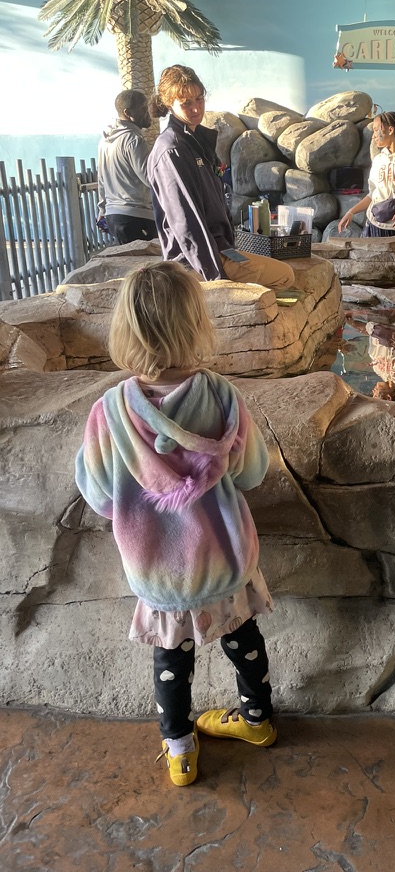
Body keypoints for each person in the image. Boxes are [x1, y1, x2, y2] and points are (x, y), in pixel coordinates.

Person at [75, 261, 278, 787]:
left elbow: (98, 495)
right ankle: (257, 721)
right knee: (242, 635)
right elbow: (253, 473)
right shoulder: (224, 398)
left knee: (172, 655)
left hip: (159, 571)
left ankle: (180, 750)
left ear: (125, 329)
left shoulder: (110, 411)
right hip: (225, 562)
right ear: (195, 325)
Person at [147, 64, 294, 289]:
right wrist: (216, 278)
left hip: (221, 248)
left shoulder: (197, 141)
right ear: (169, 104)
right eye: (186, 103)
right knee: (284, 276)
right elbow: (185, 220)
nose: (196, 108)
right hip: (196, 261)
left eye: (199, 99)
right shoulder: (172, 150)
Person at [338, 110, 395, 242]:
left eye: (376, 130)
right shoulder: (379, 160)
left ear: (390, 130)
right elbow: (373, 193)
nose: (373, 135)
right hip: (375, 225)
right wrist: (351, 212)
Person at [96, 90, 157, 244]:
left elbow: (101, 179)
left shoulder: (105, 141)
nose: (148, 112)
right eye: (143, 108)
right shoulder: (134, 140)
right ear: (128, 112)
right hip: (137, 216)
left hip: (114, 216)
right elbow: (150, 179)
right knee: (149, 265)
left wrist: (103, 210)